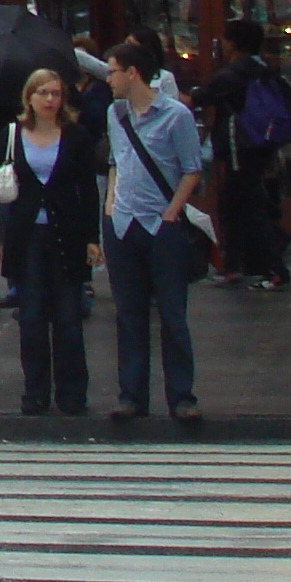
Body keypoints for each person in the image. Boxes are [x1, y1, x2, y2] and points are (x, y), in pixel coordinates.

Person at [102, 32, 206, 424]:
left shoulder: (175, 115)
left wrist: (172, 212)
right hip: (123, 222)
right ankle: (131, 395)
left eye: (113, 72)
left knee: (172, 315)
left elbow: (191, 168)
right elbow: (115, 160)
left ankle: (181, 396)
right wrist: (110, 205)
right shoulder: (116, 114)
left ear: (133, 73)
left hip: (160, 224)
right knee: (128, 314)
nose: (108, 79)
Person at [0, 65, 99, 416]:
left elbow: (87, 189)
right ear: (29, 99)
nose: (50, 100)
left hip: (66, 232)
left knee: (68, 316)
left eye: (56, 94)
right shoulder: (10, 135)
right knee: (32, 317)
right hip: (26, 234)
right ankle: (35, 392)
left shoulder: (76, 136)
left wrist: (92, 238)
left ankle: (72, 393)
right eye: (43, 94)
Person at [194, 19, 291, 290]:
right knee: (234, 206)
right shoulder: (265, 70)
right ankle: (233, 266)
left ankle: (276, 265)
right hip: (262, 147)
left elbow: (199, 98)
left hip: (240, 150)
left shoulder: (231, 74)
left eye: (224, 40)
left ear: (233, 43)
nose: (222, 45)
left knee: (247, 207)